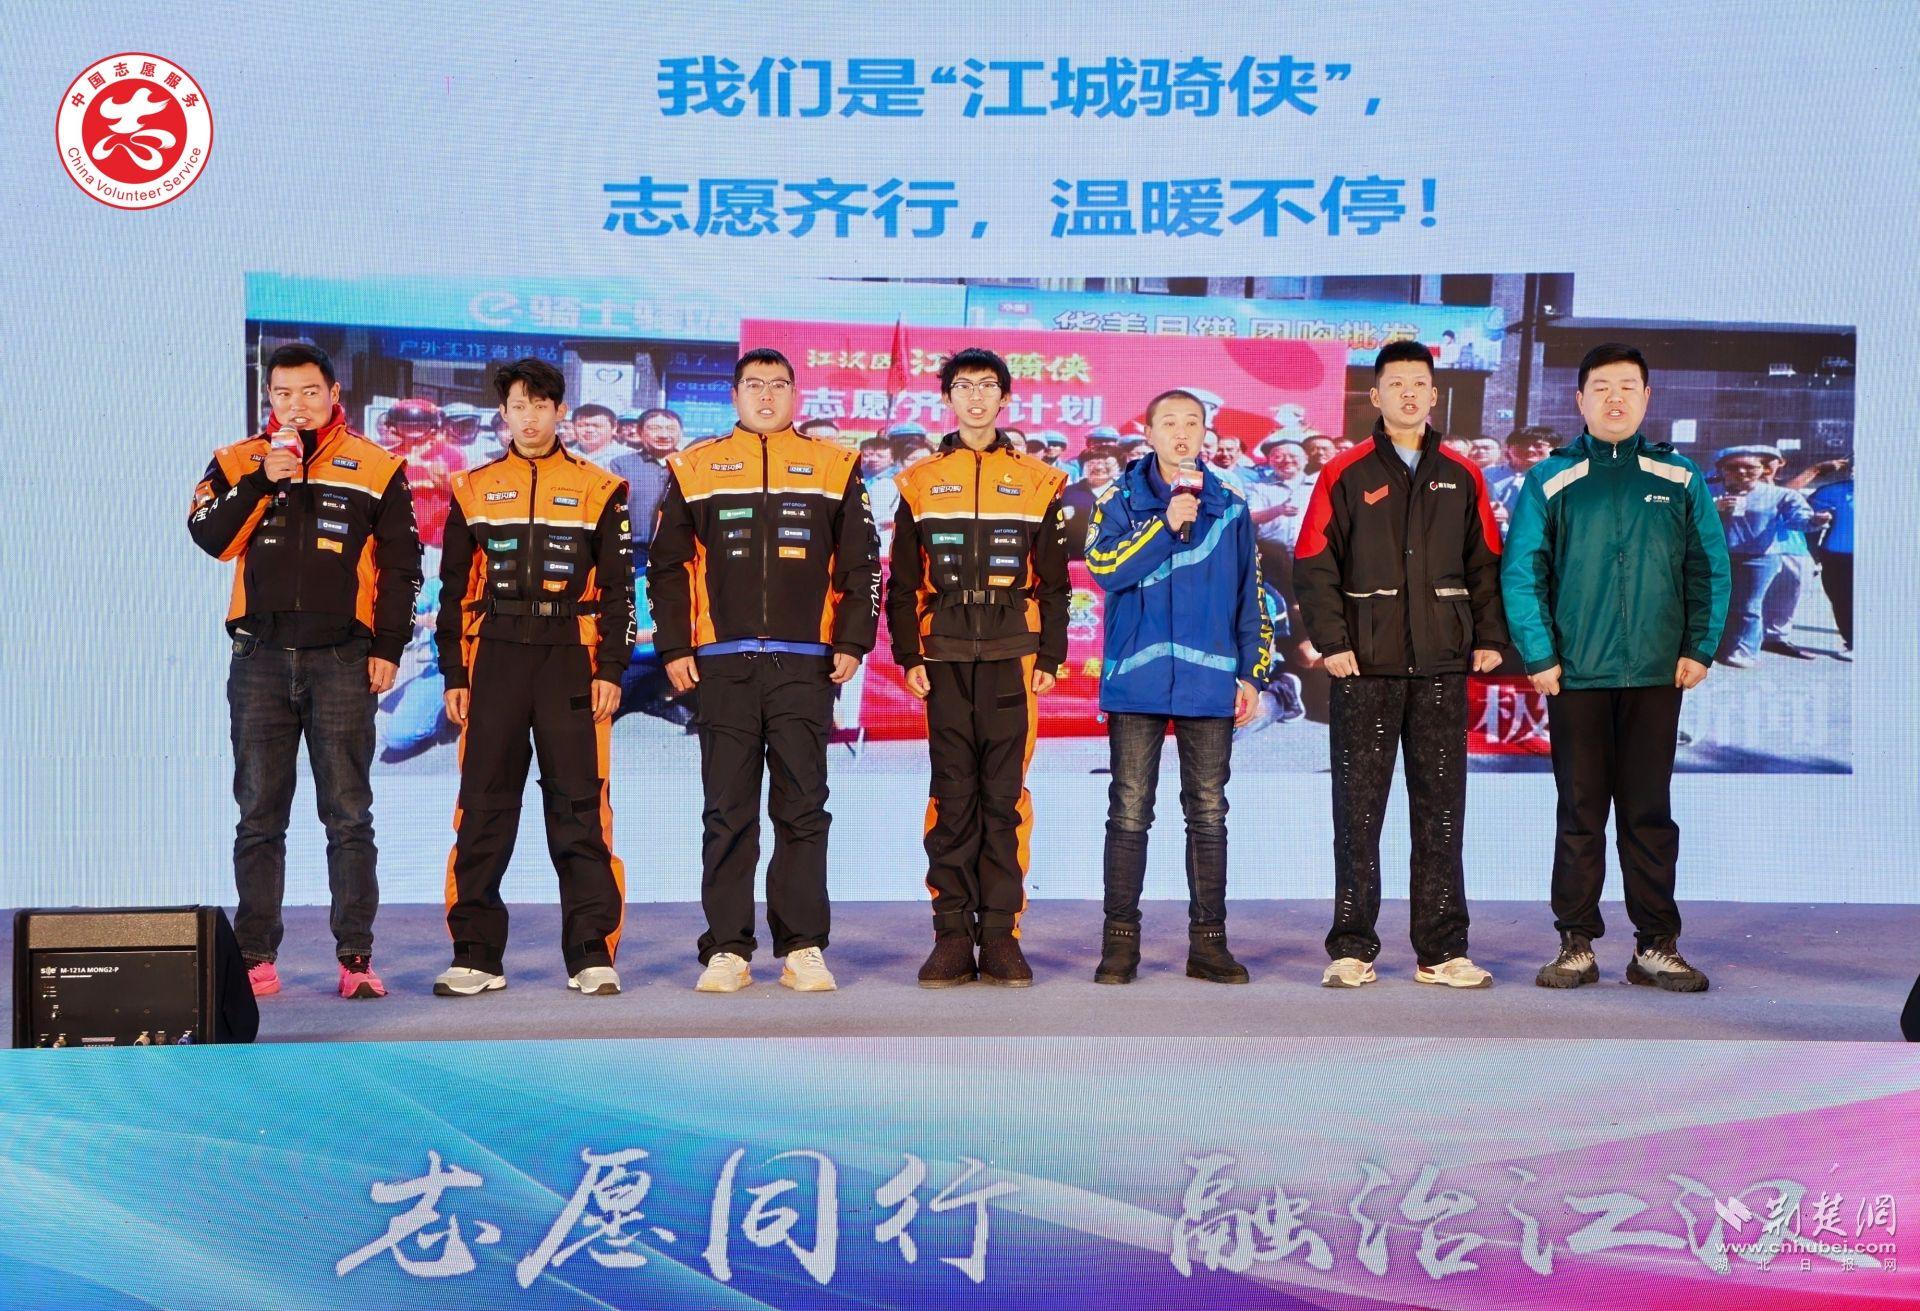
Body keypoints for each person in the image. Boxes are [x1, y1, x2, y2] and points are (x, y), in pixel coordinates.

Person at [189, 343, 422, 1000]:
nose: (297, 405)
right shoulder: (236, 460)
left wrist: (388, 648)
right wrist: (262, 480)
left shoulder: (377, 465)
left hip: (342, 659)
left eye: (310, 392)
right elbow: (210, 538)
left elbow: (402, 566)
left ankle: (356, 959)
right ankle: (255, 956)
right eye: (283, 393)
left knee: (348, 815)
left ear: (334, 393)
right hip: (259, 658)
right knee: (259, 815)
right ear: (269, 397)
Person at [649, 348, 879, 994]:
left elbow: (862, 564)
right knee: (727, 811)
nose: (767, 396)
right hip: (722, 667)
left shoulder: (835, 465)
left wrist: (852, 640)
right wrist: (675, 647)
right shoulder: (694, 467)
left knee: (803, 809)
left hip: (806, 665)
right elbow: (668, 567)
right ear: (735, 395)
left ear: (795, 394)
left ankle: (803, 947)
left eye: (779, 384)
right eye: (755, 385)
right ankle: (727, 948)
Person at [1503, 343, 1730, 993]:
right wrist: (1539, 654)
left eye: (1628, 386)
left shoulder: (1678, 475)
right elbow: (1522, 571)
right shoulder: (1551, 478)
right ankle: (1575, 943)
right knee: (1580, 813)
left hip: (1658, 673)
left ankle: (1656, 945)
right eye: (1601, 387)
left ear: (1646, 397)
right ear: (1579, 399)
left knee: (1648, 813)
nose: (1615, 398)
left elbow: (1708, 567)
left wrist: (1699, 647)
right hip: (1575, 674)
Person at [1293, 340, 1508, 989]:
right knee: (1357, 815)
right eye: (1397, 383)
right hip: (1364, 669)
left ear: (1435, 395)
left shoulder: (1463, 474)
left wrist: (1489, 635)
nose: (1409, 393)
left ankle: (1442, 951)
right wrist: (1333, 641)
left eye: (1420, 383)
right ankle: (1351, 947)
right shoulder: (1345, 472)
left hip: (1442, 667)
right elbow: (1313, 563)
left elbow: (1485, 562)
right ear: (1376, 395)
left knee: (1441, 813)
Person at [434, 358, 634, 997]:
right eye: (518, 406)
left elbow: (619, 592)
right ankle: (476, 955)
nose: (529, 418)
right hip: (493, 658)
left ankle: (591, 953)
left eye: (540, 406)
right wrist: (454, 672)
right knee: (484, 806)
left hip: (568, 658)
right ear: (504, 413)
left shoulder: (601, 488)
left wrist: (611, 668)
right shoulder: (472, 487)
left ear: (559, 411)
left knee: (579, 808)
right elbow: (452, 589)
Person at [888, 348, 1069, 987]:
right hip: (942, 657)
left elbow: (1055, 582)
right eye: (963, 386)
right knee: (952, 794)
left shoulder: (1039, 480)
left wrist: (1051, 653)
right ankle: (949, 935)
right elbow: (901, 581)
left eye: (987, 386)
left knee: (1003, 797)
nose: (975, 397)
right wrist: (908, 653)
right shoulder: (917, 480)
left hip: (1013, 657)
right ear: (947, 398)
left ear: (1004, 398)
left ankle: (999, 936)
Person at [1086, 389, 1272, 986]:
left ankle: (1209, 945)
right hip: (1136, 679)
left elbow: (1251, 597)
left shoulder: (1230, 506)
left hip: (1210, 680)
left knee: (1208, 813)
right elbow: (1104, 569)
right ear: (1148, 432)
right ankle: (1119, 945)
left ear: (1206, 432)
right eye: (1169, 422)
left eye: (1192, 422)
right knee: (1129, 810)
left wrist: (1251, 674)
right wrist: (1166, 527)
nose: (1182, 432)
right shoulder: (1118, 499)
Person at [1711, 447, 1830, 668]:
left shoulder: (1781, 495)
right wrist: (1712, 508)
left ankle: (1746, 651)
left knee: (1749, 606)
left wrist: (1816, 520)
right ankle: (1720, 646)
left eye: (1749, 467)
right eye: (1733, 467)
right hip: (1716, 558)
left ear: (1763, 469)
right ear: (1722, 469)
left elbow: (1798, 521)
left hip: (1759, 559)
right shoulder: (1706, 491)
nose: (1742, 472)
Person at [607, 406, 683, 574]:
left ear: (680, 433)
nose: (663, 435)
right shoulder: (621, 465)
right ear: (640, 432)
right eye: (655, 428)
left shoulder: (691, 464)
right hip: (635, 552)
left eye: (671, 429)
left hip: (679, 553)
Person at [1805, 462, 1854, 658]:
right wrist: (1811, 557)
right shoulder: (1830, 492)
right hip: (1838, 555)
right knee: (1842, 600)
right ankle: (1853, 642)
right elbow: (1806, 522)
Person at [1061, 446, 1121, 557]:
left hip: (1117, 559)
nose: (1098, 467)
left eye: (1106, 463)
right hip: (1077, 560)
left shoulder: (1127, 492)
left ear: (1118, 466)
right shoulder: (1067, 493)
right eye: (1092, 463)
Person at [568, 402, 622, 467]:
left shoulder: (626, 456)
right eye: (581, 426)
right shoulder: (563, 455)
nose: (589, 430)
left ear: (614, 428)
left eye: (597, 426)